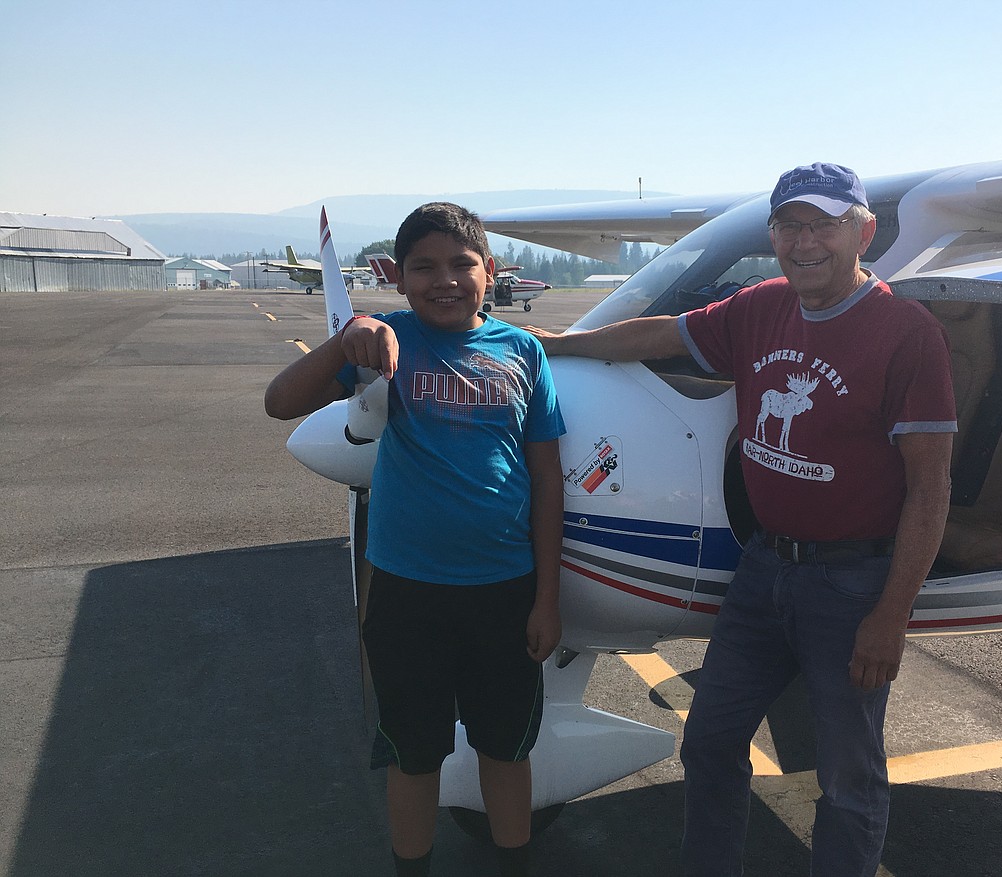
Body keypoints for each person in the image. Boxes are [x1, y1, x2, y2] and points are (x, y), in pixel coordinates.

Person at [526, 163, 956, 876]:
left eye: (824, 224)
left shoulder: (907, 334)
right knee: (710, 740)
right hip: (762, 569)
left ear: (864, 231)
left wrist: (891, 613)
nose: (805, 241)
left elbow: (931, 487)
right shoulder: (761, 306)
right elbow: (663, 336)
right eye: (789, 225)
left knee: (849, 777)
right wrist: (556, 345)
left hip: (852, 582)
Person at [265, 202, 566, 877]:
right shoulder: (386, 341)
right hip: (407, 592)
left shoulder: (523, 352)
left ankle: (512, 862)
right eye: (424, 267)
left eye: (462, 264)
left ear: (490, 271)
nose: (445, 279)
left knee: (505, 749)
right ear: (399, 278)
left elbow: (548, 479)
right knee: (413, 752)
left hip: (505, 592)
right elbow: (280, 402)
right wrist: (350, 337)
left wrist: (548, 597)